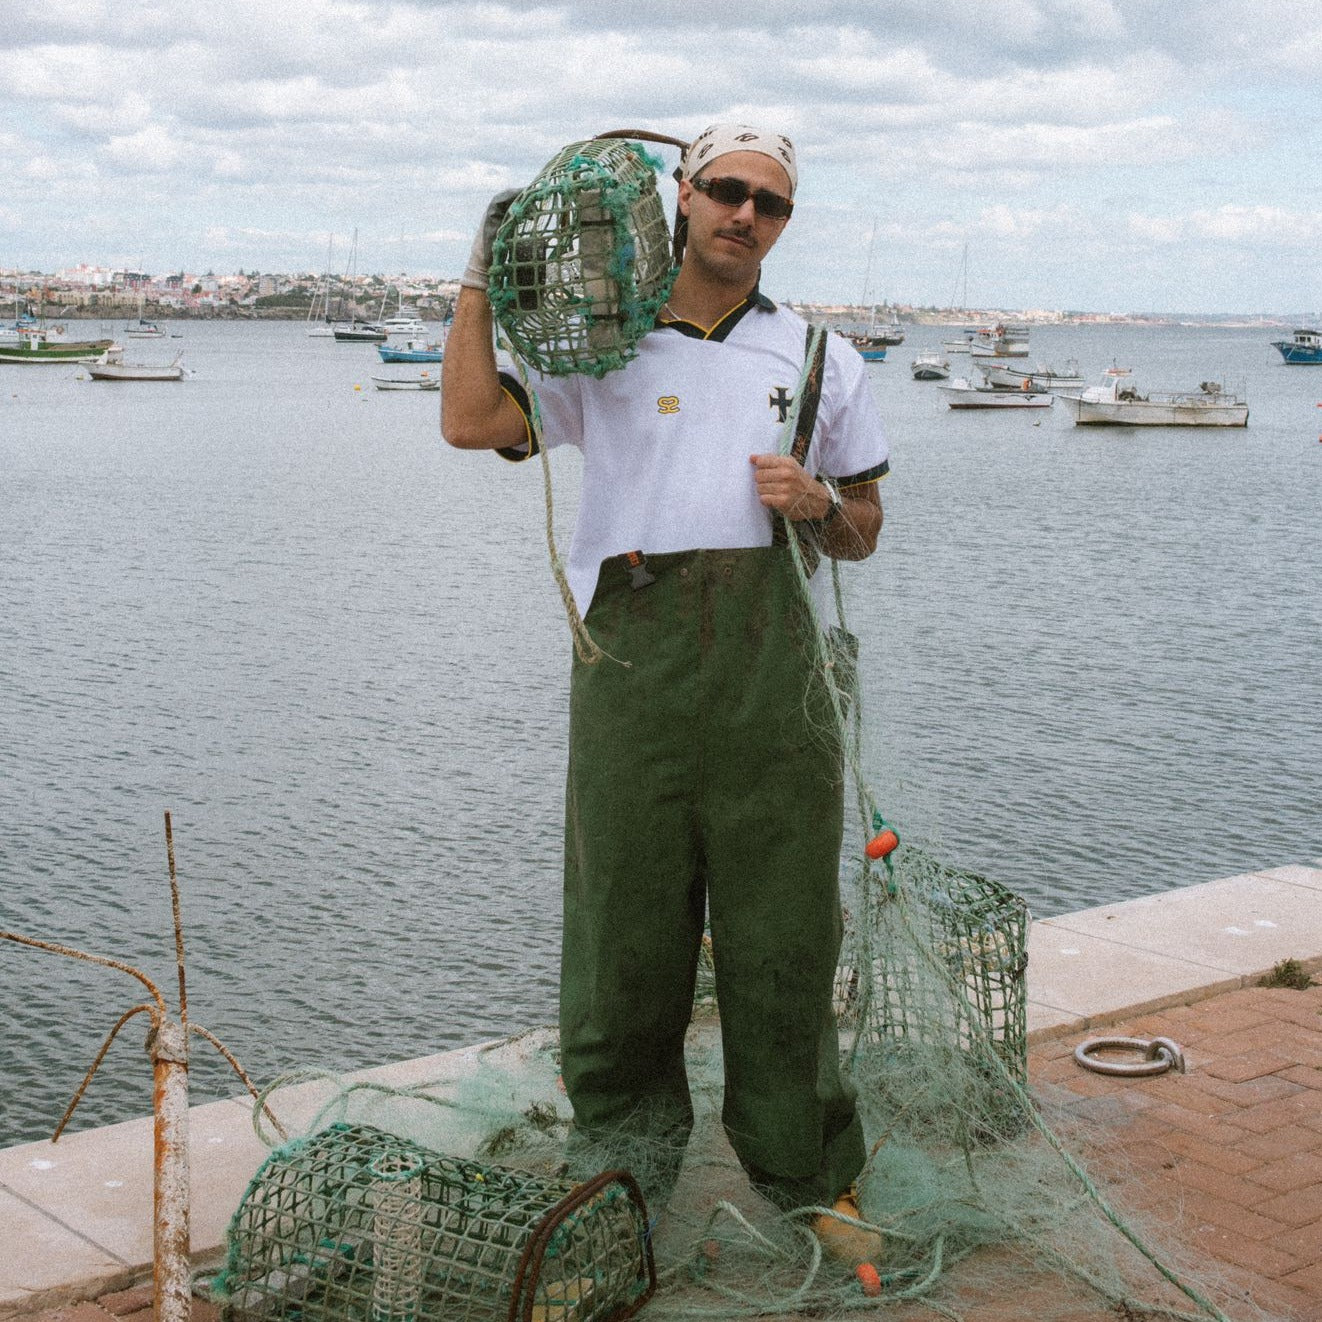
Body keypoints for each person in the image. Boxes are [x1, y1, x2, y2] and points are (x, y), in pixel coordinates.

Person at [441, 124, 889, 1245]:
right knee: (621, 934)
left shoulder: (820, 356)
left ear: (784, 223)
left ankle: (808, 1173)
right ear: (681, 194)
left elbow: (864, 529)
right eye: (727, 189)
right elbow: (468, 421)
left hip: (777, 689)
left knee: (784, 934)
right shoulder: (601, 348)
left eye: (770, 202)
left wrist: (818, 505)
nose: (745, 214)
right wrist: (476, 282)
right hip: (630, 673)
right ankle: (623, 1167)